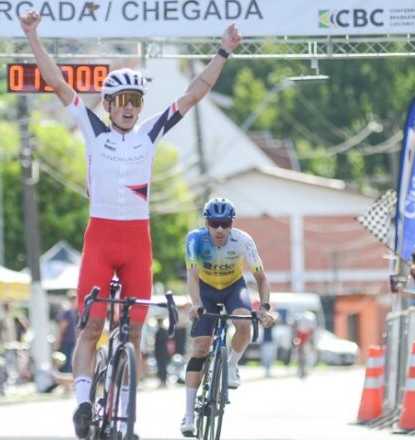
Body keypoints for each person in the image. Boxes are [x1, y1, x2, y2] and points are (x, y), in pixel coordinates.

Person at [19, 11, 243, 438]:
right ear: (108, 105)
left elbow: (194, 93)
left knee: (135, 332)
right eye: (122, 102)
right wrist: (33, 36)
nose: (129, 109)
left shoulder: (149, 133)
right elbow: (56, 81)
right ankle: (84, 405)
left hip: (137, 241)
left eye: (135, 102)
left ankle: (124, 410)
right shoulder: (91, 128)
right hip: (101, 238)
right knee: (92, 327)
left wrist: (223, 52)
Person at [180, 197, 275, 436]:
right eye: (214, 223)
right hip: (206, 290)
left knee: (244, 321)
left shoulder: (243, 240)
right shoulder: (195, 239)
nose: (220, 229)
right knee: (200, 348)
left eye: (225, 223)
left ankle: (232, 365)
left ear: (231, 223)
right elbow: (192, 276)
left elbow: (261, 278)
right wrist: (197, 304)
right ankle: (189, 415)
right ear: (206, 223)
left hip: (234, 288)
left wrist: (264, 307)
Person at [54, 292, 79, 374]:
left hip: (72, 341)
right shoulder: (67, 312)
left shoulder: (75, 312)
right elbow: (62, 326)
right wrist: (58, 340)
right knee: (65, 362)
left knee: (71, 362)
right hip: (66, 341)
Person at [153, 318, 170, 387]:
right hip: (164, 352)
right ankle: (164, 380)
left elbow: (156, 344)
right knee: (163, 366)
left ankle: (162, 380)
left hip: (160, 352)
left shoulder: (158, 332)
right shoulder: (165, 331)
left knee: (161, 367)